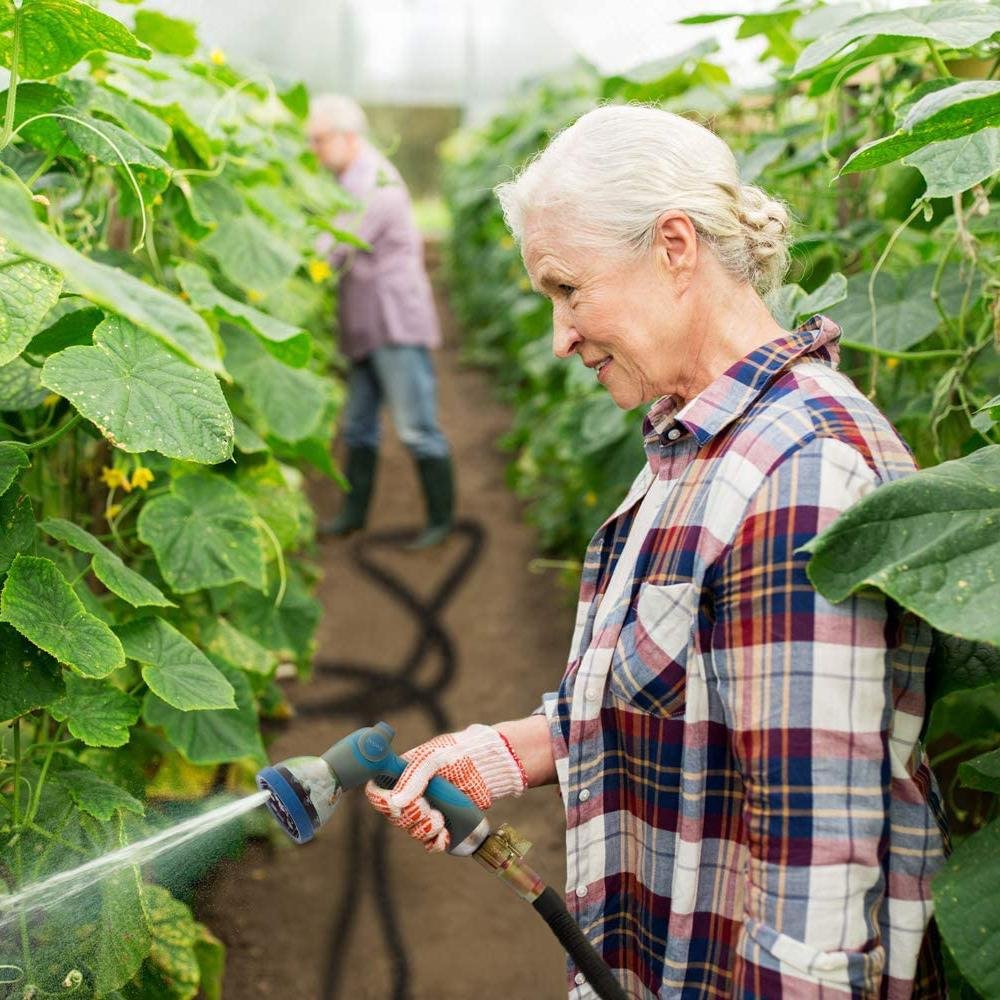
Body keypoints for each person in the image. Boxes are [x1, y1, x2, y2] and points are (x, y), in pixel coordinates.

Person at [364, 105, 948, 998]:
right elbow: (685, 698)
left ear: (675, 247)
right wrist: (503, 753)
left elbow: (816, 880)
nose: (560, 336)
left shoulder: (799, 472)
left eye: (568, 289)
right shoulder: (705, 439)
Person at [308, 94, 454, 548]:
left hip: (394, 324)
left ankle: (441, 522)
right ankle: (352, 516)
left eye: (319, 140)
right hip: (365, 323)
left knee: (416, 427)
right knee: (358, 425)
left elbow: (335, 246)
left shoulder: (376, 183)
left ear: (348, 137)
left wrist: (286, 264)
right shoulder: (348, 180)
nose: (314, 150)